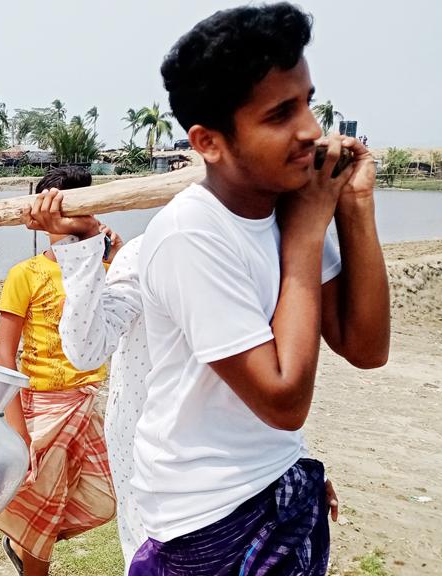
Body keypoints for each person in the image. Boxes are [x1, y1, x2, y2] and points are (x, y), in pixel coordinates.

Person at [22, 3, 389, 573]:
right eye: (279, 114)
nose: (311, 131)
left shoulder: (289, 212)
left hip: (277, 481)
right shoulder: (188, 235)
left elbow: (366, 349)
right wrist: (308, 232)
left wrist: (356, 205)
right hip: (206, 520)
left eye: (308, 103)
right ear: (209, 142)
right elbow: (284, 400)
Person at [0, 166, 118, 576]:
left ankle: (20, 537)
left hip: (89, 403)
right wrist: (17, 431)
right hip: (43, 407)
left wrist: (113, 250)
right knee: (44, 514)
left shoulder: (103, 266)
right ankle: (29, 548)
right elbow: (4, 356)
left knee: (108, 497)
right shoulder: (25, 274)